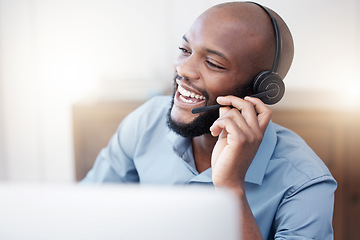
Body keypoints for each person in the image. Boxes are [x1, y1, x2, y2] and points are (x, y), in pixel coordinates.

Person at [82, 1, 337, 239]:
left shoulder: (305, 184)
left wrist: (230, 189)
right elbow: (87, 212)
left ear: (262, 88)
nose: (184, 69)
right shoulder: (147, 121)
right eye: (185, 50)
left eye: (213, 63)